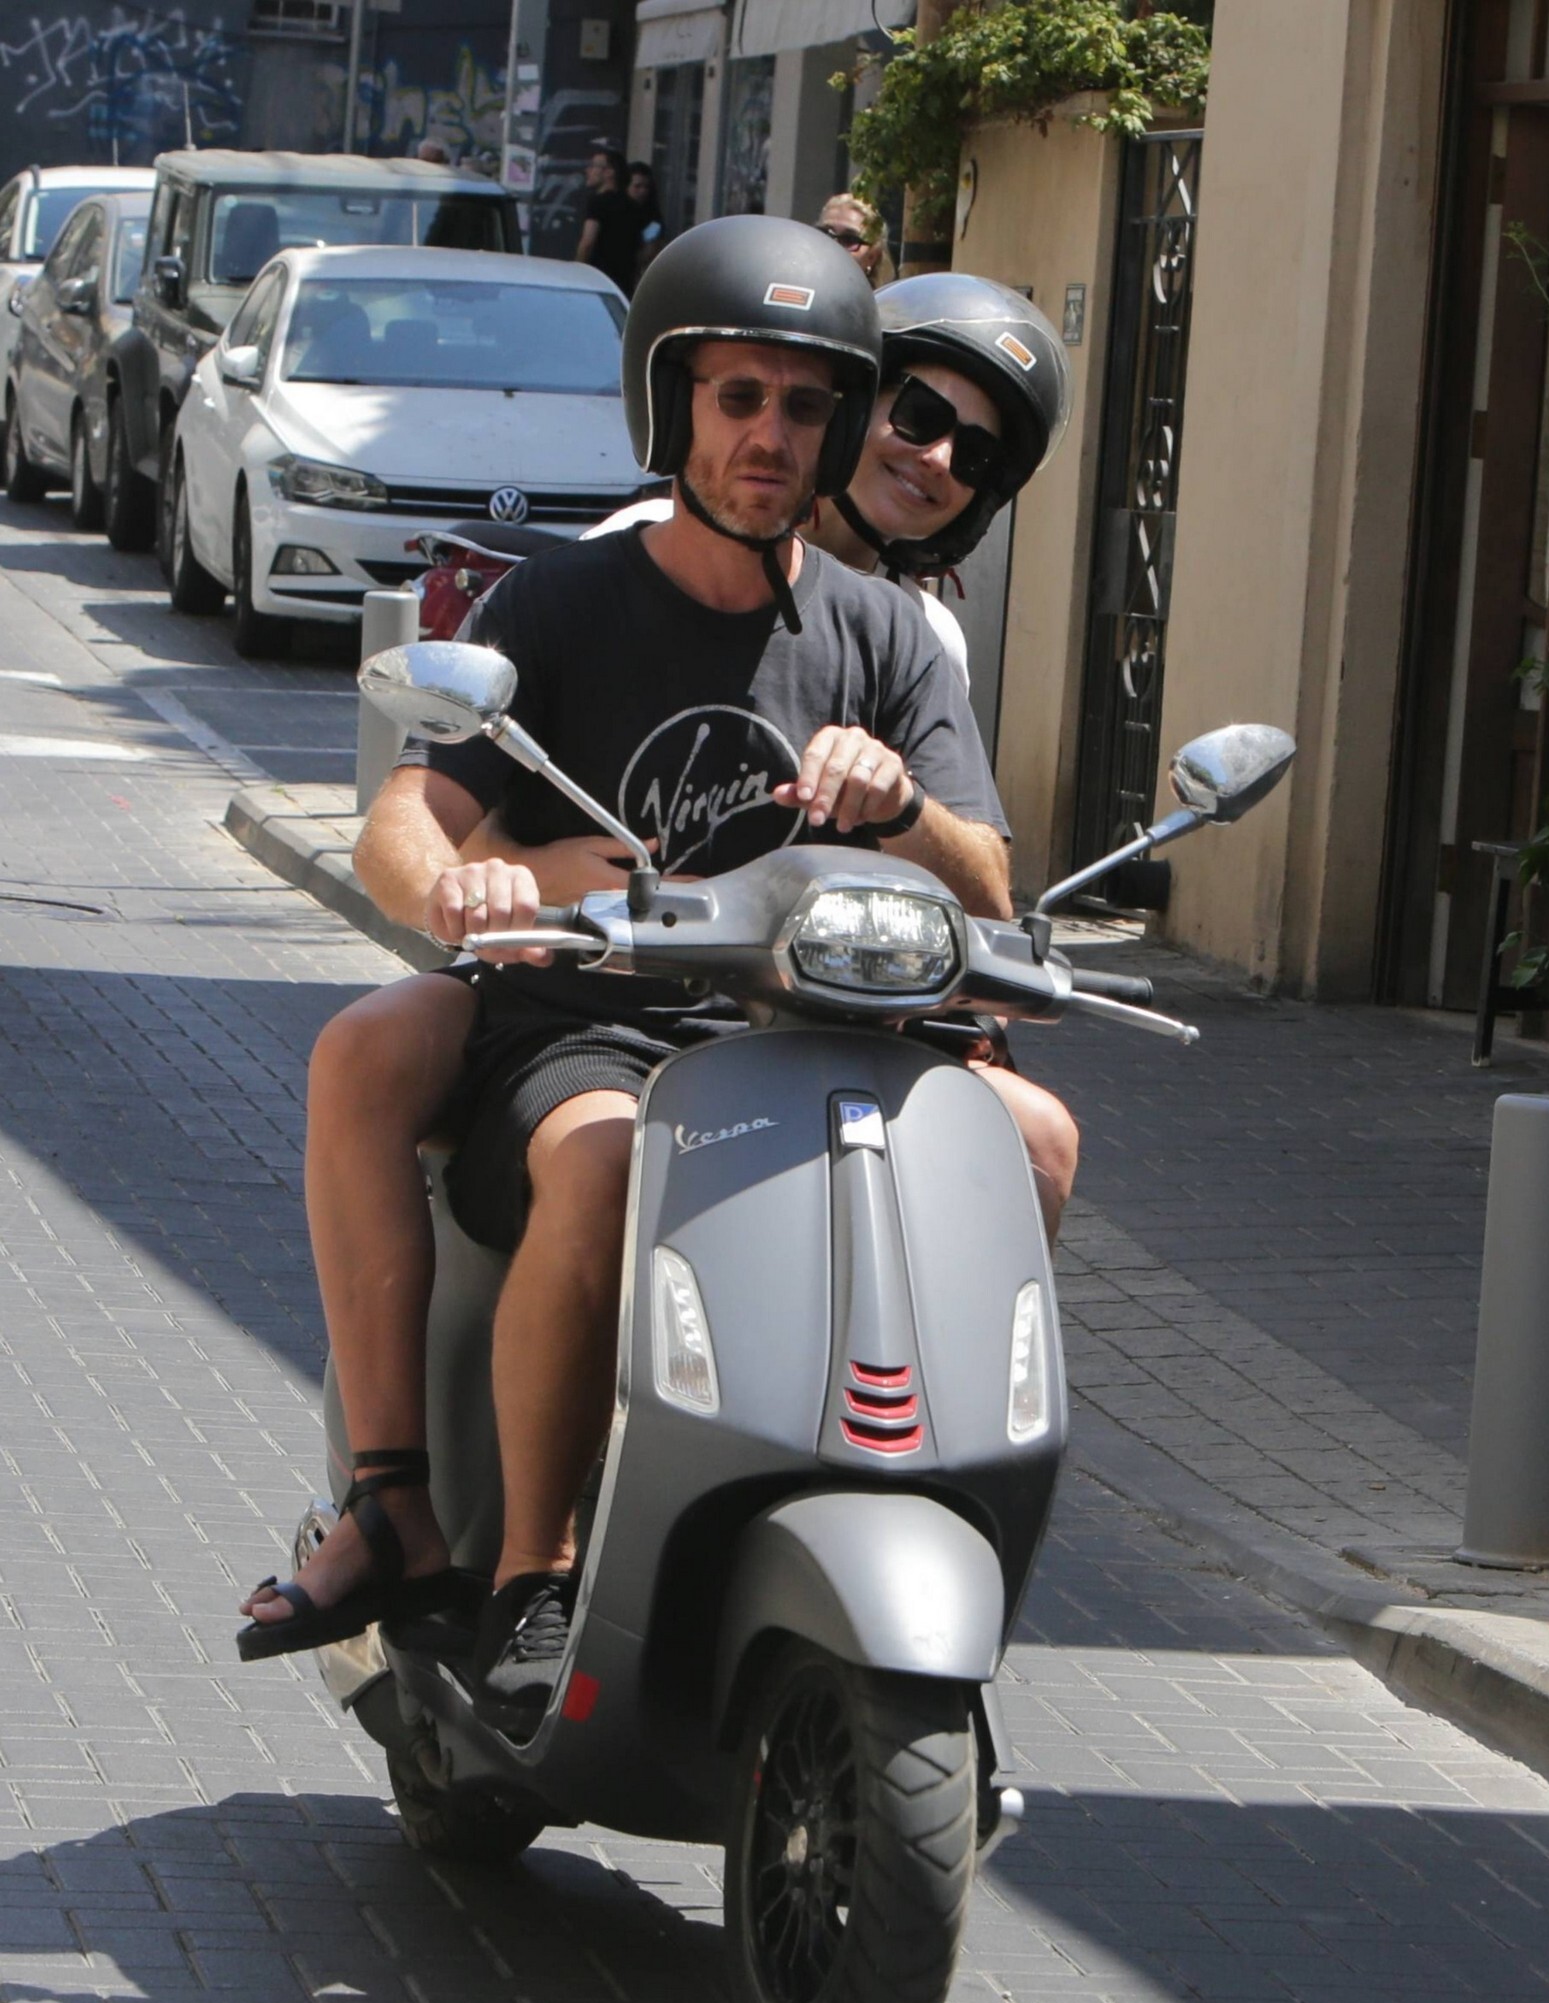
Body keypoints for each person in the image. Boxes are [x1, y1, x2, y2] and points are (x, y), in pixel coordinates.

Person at [236, 227, 1079, 1712]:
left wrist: (903, 805)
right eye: (736, 397)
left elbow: (992, 887)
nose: (770, 437)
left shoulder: (889, 636)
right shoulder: (565, 601)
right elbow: (403, 821)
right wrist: (465, 885)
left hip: (822, 1039)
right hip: (600, 1032)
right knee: (609, 1155)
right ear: (671, 407)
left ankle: (922, 1485)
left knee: (1036, 1138)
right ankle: (532, 1570)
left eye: (805, 407)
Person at [574, 144, 644, 296]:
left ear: (609, 172)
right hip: (623, 284)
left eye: (594, 166)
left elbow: (587, 242)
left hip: (597, 280)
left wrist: (577, 272)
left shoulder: (597, 202)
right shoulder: (634, 207)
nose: (588, 170)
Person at [816, 193, 894, 289]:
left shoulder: (883, 299)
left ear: (871, 257)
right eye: (825, 234)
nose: (834, 245)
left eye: (849, 239)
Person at [626, 161, 665, 281]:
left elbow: (651, 249)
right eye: (637, 186)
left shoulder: (652, 217)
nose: (642, 191)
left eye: (646, 187)